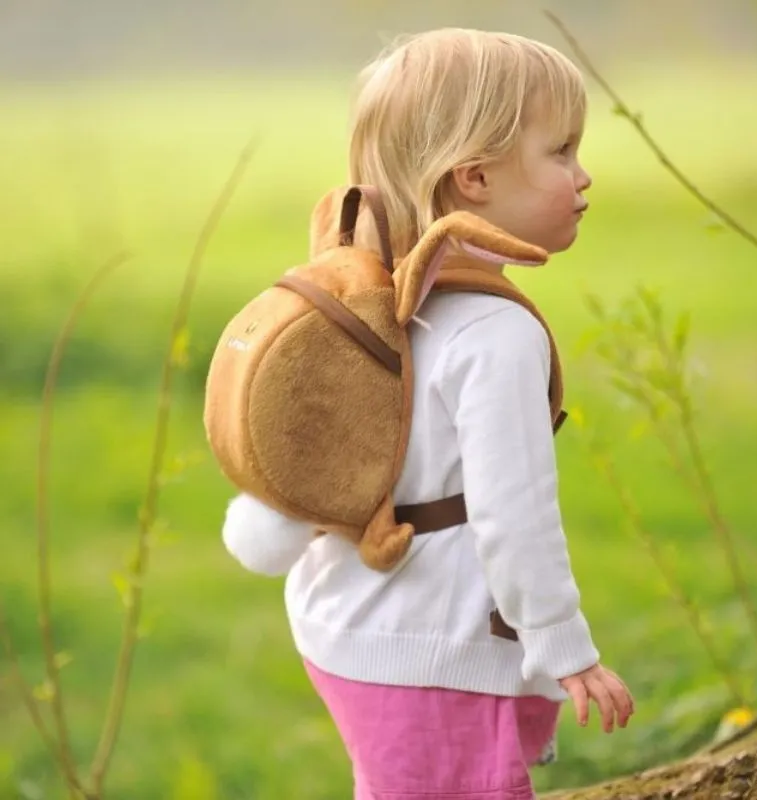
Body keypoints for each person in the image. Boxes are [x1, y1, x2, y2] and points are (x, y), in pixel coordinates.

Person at [222, 27, 634, 800]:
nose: (584, 177)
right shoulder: (495, 332)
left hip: (351, 624)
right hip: (431, 648)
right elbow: (515, 516)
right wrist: (561, 646)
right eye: (562, 151)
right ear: (473, 178)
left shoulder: (373, 295)